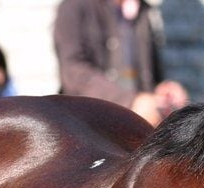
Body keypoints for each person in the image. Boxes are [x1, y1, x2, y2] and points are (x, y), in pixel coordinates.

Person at [53, 0, 188, 127]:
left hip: (135, 127)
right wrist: (131, 101)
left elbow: (149, 71)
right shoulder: (73, 7)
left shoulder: (142, 10)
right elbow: (72, 72)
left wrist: (162, 89)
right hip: (88, 126)